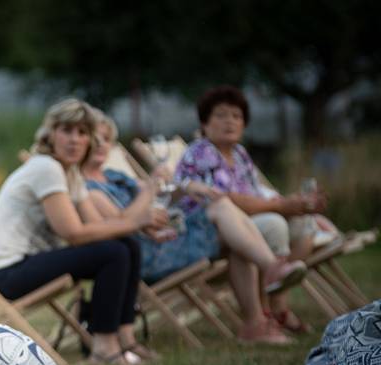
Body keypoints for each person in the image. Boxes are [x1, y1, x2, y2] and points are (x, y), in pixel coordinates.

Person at [83, 110, 306, 344]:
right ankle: (271, 271)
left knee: (227, 220)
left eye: (106, 140)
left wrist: (188, 187)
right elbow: (125, 221)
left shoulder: (114, 176)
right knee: (222, 210)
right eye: (95, 139)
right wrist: (150, 187)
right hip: (149, 255)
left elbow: (164, 194)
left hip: (168, 238)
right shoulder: (87, 189)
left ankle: (256, 323)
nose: (101, 145)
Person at [0, 98, 162, 365]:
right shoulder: (46, 167)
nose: (74, 140)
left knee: (126, 245)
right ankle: (104, 347)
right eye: (66, 131)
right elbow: (75, 233)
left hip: (33, 262)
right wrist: (137, 220)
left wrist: (135, 223)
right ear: (50, 134)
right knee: (113, 252)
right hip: (10, 272)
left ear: (90, 141)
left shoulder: (71, 174)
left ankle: (126, 338)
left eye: (82, 133)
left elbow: (98, 226)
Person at [175, 85, 326, 333]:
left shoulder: (240, 153)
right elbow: (226, 200)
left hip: (245, 222)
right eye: (221, 115)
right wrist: (282, 206)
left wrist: (297, 206)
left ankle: (277, 303)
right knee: (273, 224)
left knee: (304, 223)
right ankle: (263, 314)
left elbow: (258, 194)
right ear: (204, 123)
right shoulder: (202, 152)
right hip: (208, 229)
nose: (230, 122)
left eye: (237, 116)